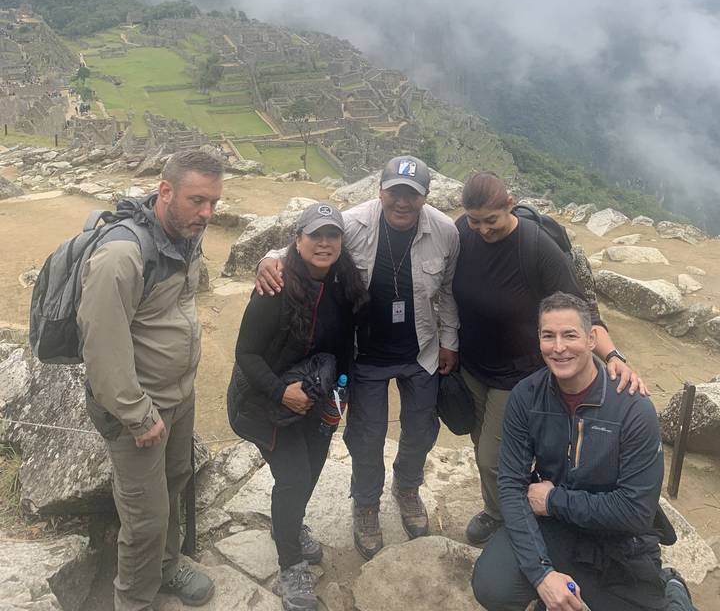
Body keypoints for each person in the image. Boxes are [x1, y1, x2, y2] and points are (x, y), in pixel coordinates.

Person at [255, 155, 460, 559]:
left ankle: (407, 487)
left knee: (420, 427)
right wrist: (269, 258)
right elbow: (307, 243)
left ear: (426, 197)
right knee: (366, 436)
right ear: (380, 191)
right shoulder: (355, 223)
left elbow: (449, 290)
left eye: (412, 195)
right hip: (365, 352)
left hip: (421, 350)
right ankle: (365, 502)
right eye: (395, 192)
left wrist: (450, 339)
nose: (402, 202)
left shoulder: (445, 231)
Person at [453, 172, 646, 546]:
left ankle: (507, 519)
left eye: (490, 221)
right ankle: (506, 506)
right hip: (473, 366)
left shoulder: (536, 247)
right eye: (474, 221)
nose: (482, 230)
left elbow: (583, 312)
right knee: (483, 448)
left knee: (493, 458)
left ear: (509, 205)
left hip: (518, 374)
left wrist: (612, 356)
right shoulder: (464, 232)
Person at [77, 149, 225, 611]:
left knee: (176, 480)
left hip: (178, 396)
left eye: (214, 202)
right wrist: (138, 415)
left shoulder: (183, 234)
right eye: (198, 200)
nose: (207, 213)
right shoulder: (121, 255)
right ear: (165, 190)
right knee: (145, 516)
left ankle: (165, 566)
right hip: (136, 410)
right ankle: (133, 601)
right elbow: (102, 347)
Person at [471, 292, 667, 611]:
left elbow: (636, 511)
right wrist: (542, 575)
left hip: (615, 536)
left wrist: (552, 500)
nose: (559, 347)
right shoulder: (527, 396)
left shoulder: (633, 409)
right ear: (539, 339)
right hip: (554, 528)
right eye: (549, 336)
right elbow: (510, 484)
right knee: (493, 587)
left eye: (570, 335)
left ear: (592, 339)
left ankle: (671, 588)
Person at [227, 202, 368, 611]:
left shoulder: (344, 284)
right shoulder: (274, 286)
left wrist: (342, 393)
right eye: (315, 235)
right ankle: (290, 564)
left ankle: (288, 524)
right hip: (263, 401)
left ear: (341, 242)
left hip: (316, 397)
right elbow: (246, 353)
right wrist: (279, 392)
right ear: (297, 240)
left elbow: (344, 347)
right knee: (292, 478)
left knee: (309, 474)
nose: (324, 243)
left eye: (332, 236)